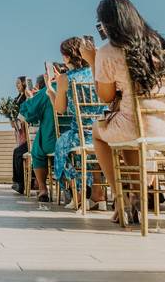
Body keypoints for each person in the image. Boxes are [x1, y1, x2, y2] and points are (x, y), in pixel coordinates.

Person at [92, 0, 165, 223]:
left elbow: (105, 97)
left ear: (108, 23)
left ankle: (120, 196)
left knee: (98, 133)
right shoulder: (160, 44)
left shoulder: (109, 51)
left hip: (139, 125)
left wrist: (91, 60)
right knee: (127, 131)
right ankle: (137, 194)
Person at [51, 37, 108, 209]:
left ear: (67, 57)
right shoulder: (98, 72)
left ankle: (79, 195)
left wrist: (51, 91)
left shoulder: (65, 78)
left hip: (80, 135)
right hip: (104, 131)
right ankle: (99, 196)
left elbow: (60, 109)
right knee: (95, 149)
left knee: (62, 145)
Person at [19, 73, 56, 202]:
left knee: (37, 150)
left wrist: (30, 98)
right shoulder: (76, 85)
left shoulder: (46, 91)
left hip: (53, 140)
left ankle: (43, 188)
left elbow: (27, 115)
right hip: (83, 137)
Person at [10, 76, 31, 194]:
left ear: (24, 83)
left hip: (25, 127)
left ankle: (20, 182)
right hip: (19, 129)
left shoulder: (27, 97)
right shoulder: (16, 98)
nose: (17, 85)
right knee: (19, 151)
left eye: (18, 83)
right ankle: (19, 182)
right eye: (16, 83)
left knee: (19, 152)